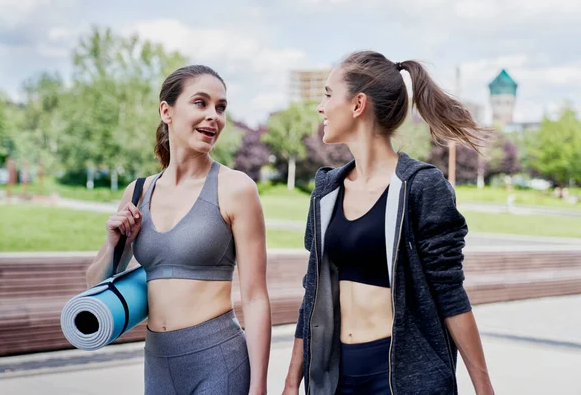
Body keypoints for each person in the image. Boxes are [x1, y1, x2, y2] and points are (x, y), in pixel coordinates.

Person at [283, 51, 494, 395]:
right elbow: (313, 293)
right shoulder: (326, 191)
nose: (321, 107)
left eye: (327, 94)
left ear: (358, 104)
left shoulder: (421, 186)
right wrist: (293, 381)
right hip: (336, 377)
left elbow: (450, 294)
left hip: (401, 379)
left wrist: (484, 389)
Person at [86, 65, 271, 395]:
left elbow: (255, 297)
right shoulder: (138, 191)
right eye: (201, 103)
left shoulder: (235, 188)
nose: (213, 116)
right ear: (166, 111)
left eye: (221, 107)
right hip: (157, 364)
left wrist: (258, 387)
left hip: (219, 361)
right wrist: (114, 242)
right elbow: (95, 285)